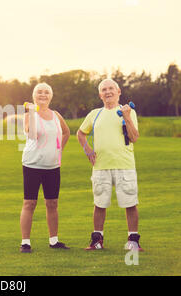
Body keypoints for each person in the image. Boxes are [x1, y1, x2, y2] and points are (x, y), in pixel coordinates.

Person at [76, 78, 143, 251]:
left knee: (130, 204)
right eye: (104, 89)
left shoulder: (128, 111)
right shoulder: (94, 114)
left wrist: (127, 117)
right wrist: (88, 150)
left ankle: (133, 241)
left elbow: (134, 137)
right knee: (99, 204)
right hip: (100, 166)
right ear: (100, 94)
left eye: (111, 88)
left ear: (118, 91)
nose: (108, 92)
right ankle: (97, 241)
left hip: (124, 165)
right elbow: (80, 134)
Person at [20, 82, 70, 253]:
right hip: (32, 165)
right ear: (34, 96)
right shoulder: (28, 115)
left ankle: (54, 241)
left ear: (51, 96)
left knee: (52, 203)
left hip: (52, 166)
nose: (43, 95)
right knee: (30, 203)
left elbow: (66, 132)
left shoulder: (56, 115)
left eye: (46, 92)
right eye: (39, 92)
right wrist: (33, 113)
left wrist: (59, 150)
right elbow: (32, 135)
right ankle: (25, 242)